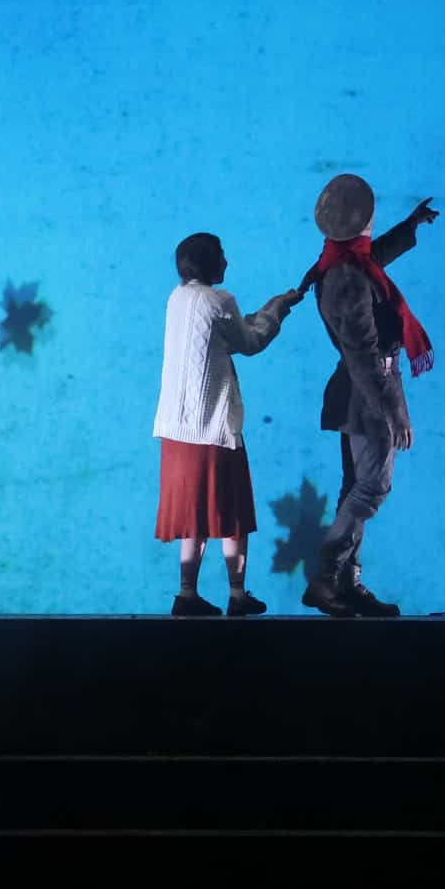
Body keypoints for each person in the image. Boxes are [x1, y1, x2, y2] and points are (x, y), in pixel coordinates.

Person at [296, 175, 439, 618]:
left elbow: (376, 256)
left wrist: (410, 225)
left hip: (364, 388)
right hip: (368, 390)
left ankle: (346, 580)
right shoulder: (345, 277)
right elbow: (362, 354)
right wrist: (393, 412)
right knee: (372, 487)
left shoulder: (346, 261)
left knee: (355, 487)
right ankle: (326, 577)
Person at [152, 232, 303, 616]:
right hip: (213, 426)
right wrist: (277, 308)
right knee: (232, 512)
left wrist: (263, 312)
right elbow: (249, 342)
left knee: (195, 515)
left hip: (176, 428)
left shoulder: (177, 299)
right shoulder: (221, 300)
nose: (227, 261)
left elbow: (224, 337)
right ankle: (237, 594)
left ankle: (187, 593)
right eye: (221, 255)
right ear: (209, 262)